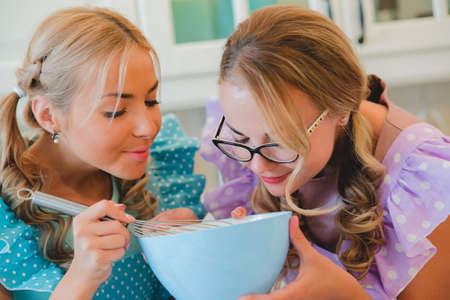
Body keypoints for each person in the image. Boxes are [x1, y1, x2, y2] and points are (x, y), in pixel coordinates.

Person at [200, 5, 450, 300]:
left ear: (340, 110)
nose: (257, 167)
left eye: (281, 139)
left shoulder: (423, 178)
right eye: (240, 136)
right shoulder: (252, 131)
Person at [0, 7, 206, 300]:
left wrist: (198, 256)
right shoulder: (6, 220)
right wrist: (82, 278)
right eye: (116, 111)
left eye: (151, 100)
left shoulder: (161, 171)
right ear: (48, 115)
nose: (148, 128)